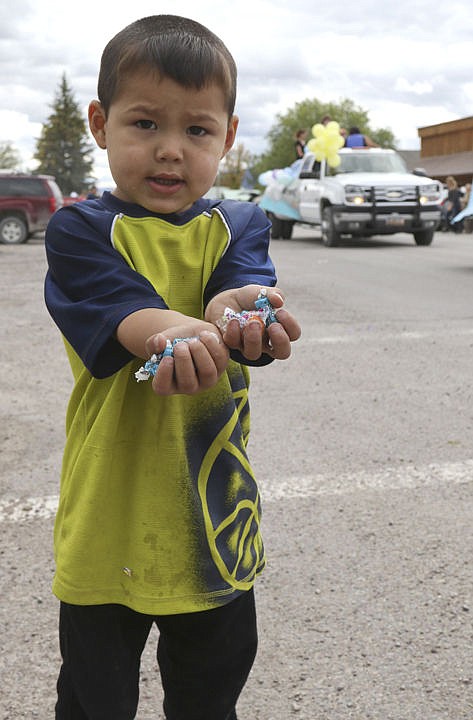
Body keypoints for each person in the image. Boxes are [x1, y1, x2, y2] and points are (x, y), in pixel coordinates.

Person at [44, 14, 301, 720]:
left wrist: (244, 314)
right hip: (108, 523)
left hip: (214, 518)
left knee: (209, 697)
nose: (169, 151)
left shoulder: (242, 223)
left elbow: (234, 287)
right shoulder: (80, 230)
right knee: (93, 702)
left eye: (196, 131)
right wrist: (186, 333)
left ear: (228, 135)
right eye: (145, 124)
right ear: (99, 123)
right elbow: (129, 315)